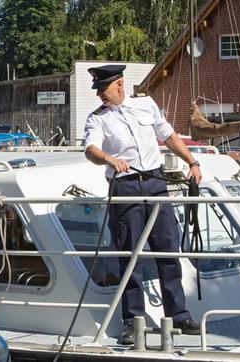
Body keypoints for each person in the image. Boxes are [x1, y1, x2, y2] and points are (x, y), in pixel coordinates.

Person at [83, 64, 203, 345]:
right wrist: (109, 159)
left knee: (168, 250)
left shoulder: (146, 105)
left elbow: (169, 136)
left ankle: (179, 315)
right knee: (130, 255)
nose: (100, 93)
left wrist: (193, 162)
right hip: (124, 187)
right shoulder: (97, 119)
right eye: (98, 89)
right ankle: (131, 321)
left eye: (103, 88)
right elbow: (91, 150)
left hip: (155, 183)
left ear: (120, 84)